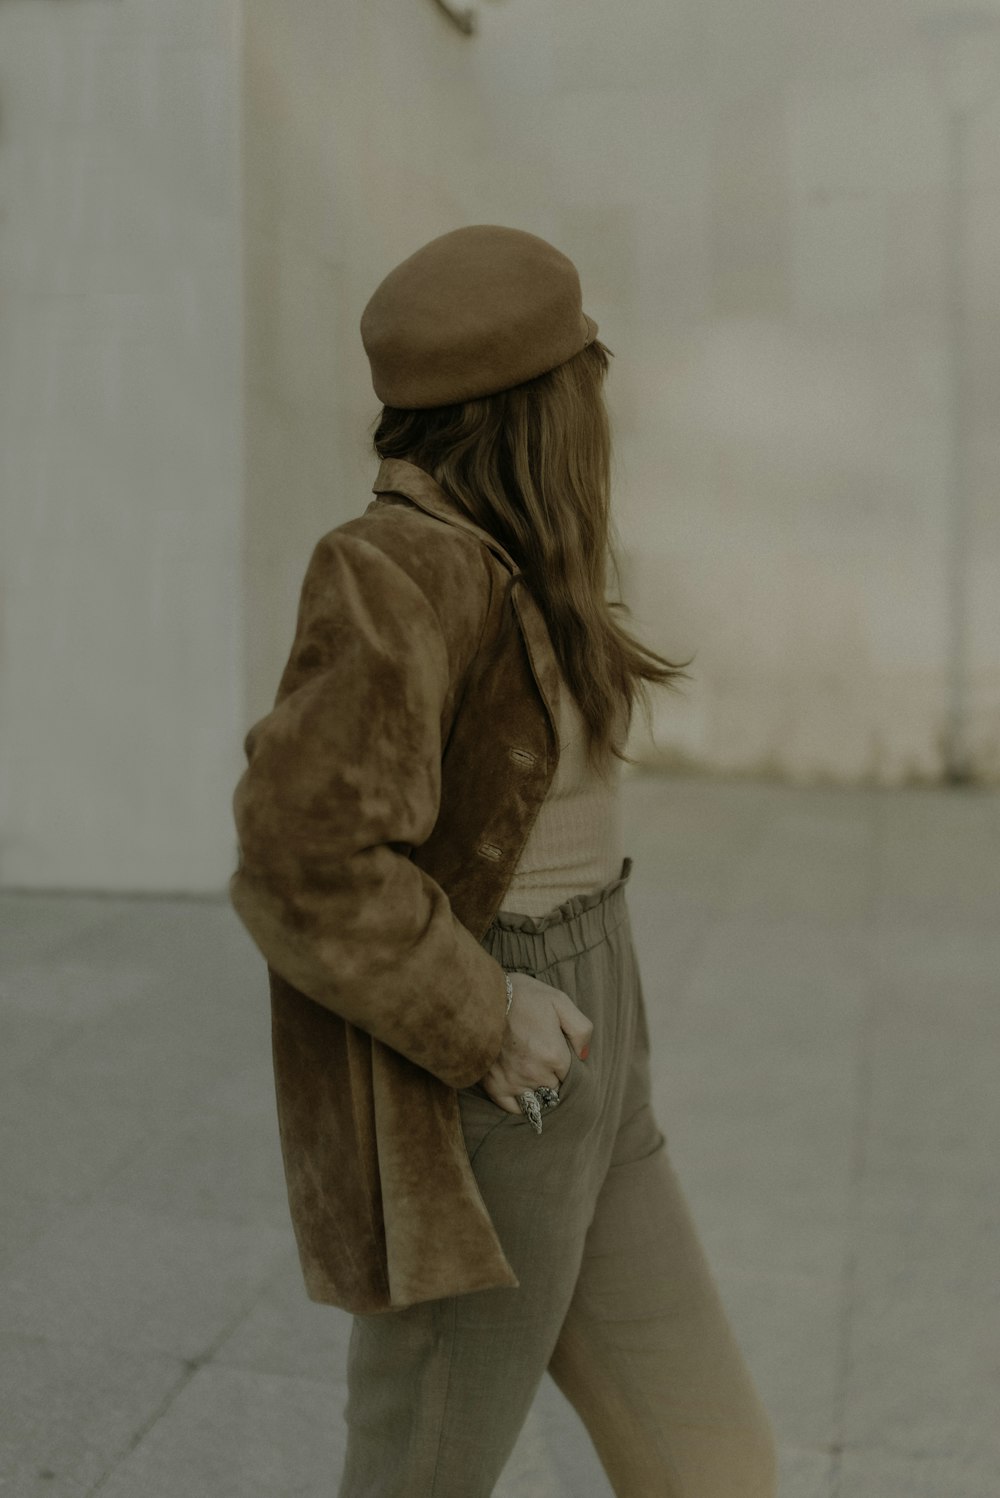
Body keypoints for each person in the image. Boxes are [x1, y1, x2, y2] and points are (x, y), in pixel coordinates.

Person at [229, 224, 778, 1497]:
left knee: (714, 1463)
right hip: (489, 1087)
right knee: (419, 1476)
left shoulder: (520, 552)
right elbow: (294, 854)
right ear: (542, 409)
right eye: (588, 380)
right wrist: (484, 1015)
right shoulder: (394, 566)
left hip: (600, 1060)